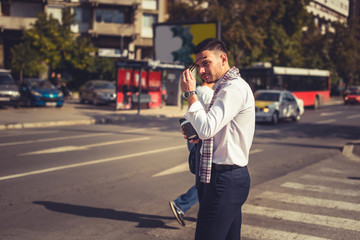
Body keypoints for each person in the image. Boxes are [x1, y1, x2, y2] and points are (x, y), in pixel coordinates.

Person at [180, 38, 255, 240]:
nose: (202, 70)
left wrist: (190, 94)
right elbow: (211, 130)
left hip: (225, 180)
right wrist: (193, 130)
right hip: (219, 178)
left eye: (206, 62)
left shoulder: (233, 89)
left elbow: (207, 129)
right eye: (198, 65)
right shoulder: (222, 88)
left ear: (223, 59)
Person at [169, 80, 215, 227]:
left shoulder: (197, 92)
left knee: (205, 176)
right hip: (202, 138)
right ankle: (181, 204)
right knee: (207, 178)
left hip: (192, 136)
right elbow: (210, 120)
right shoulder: (209, 94)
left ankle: (204, 212)